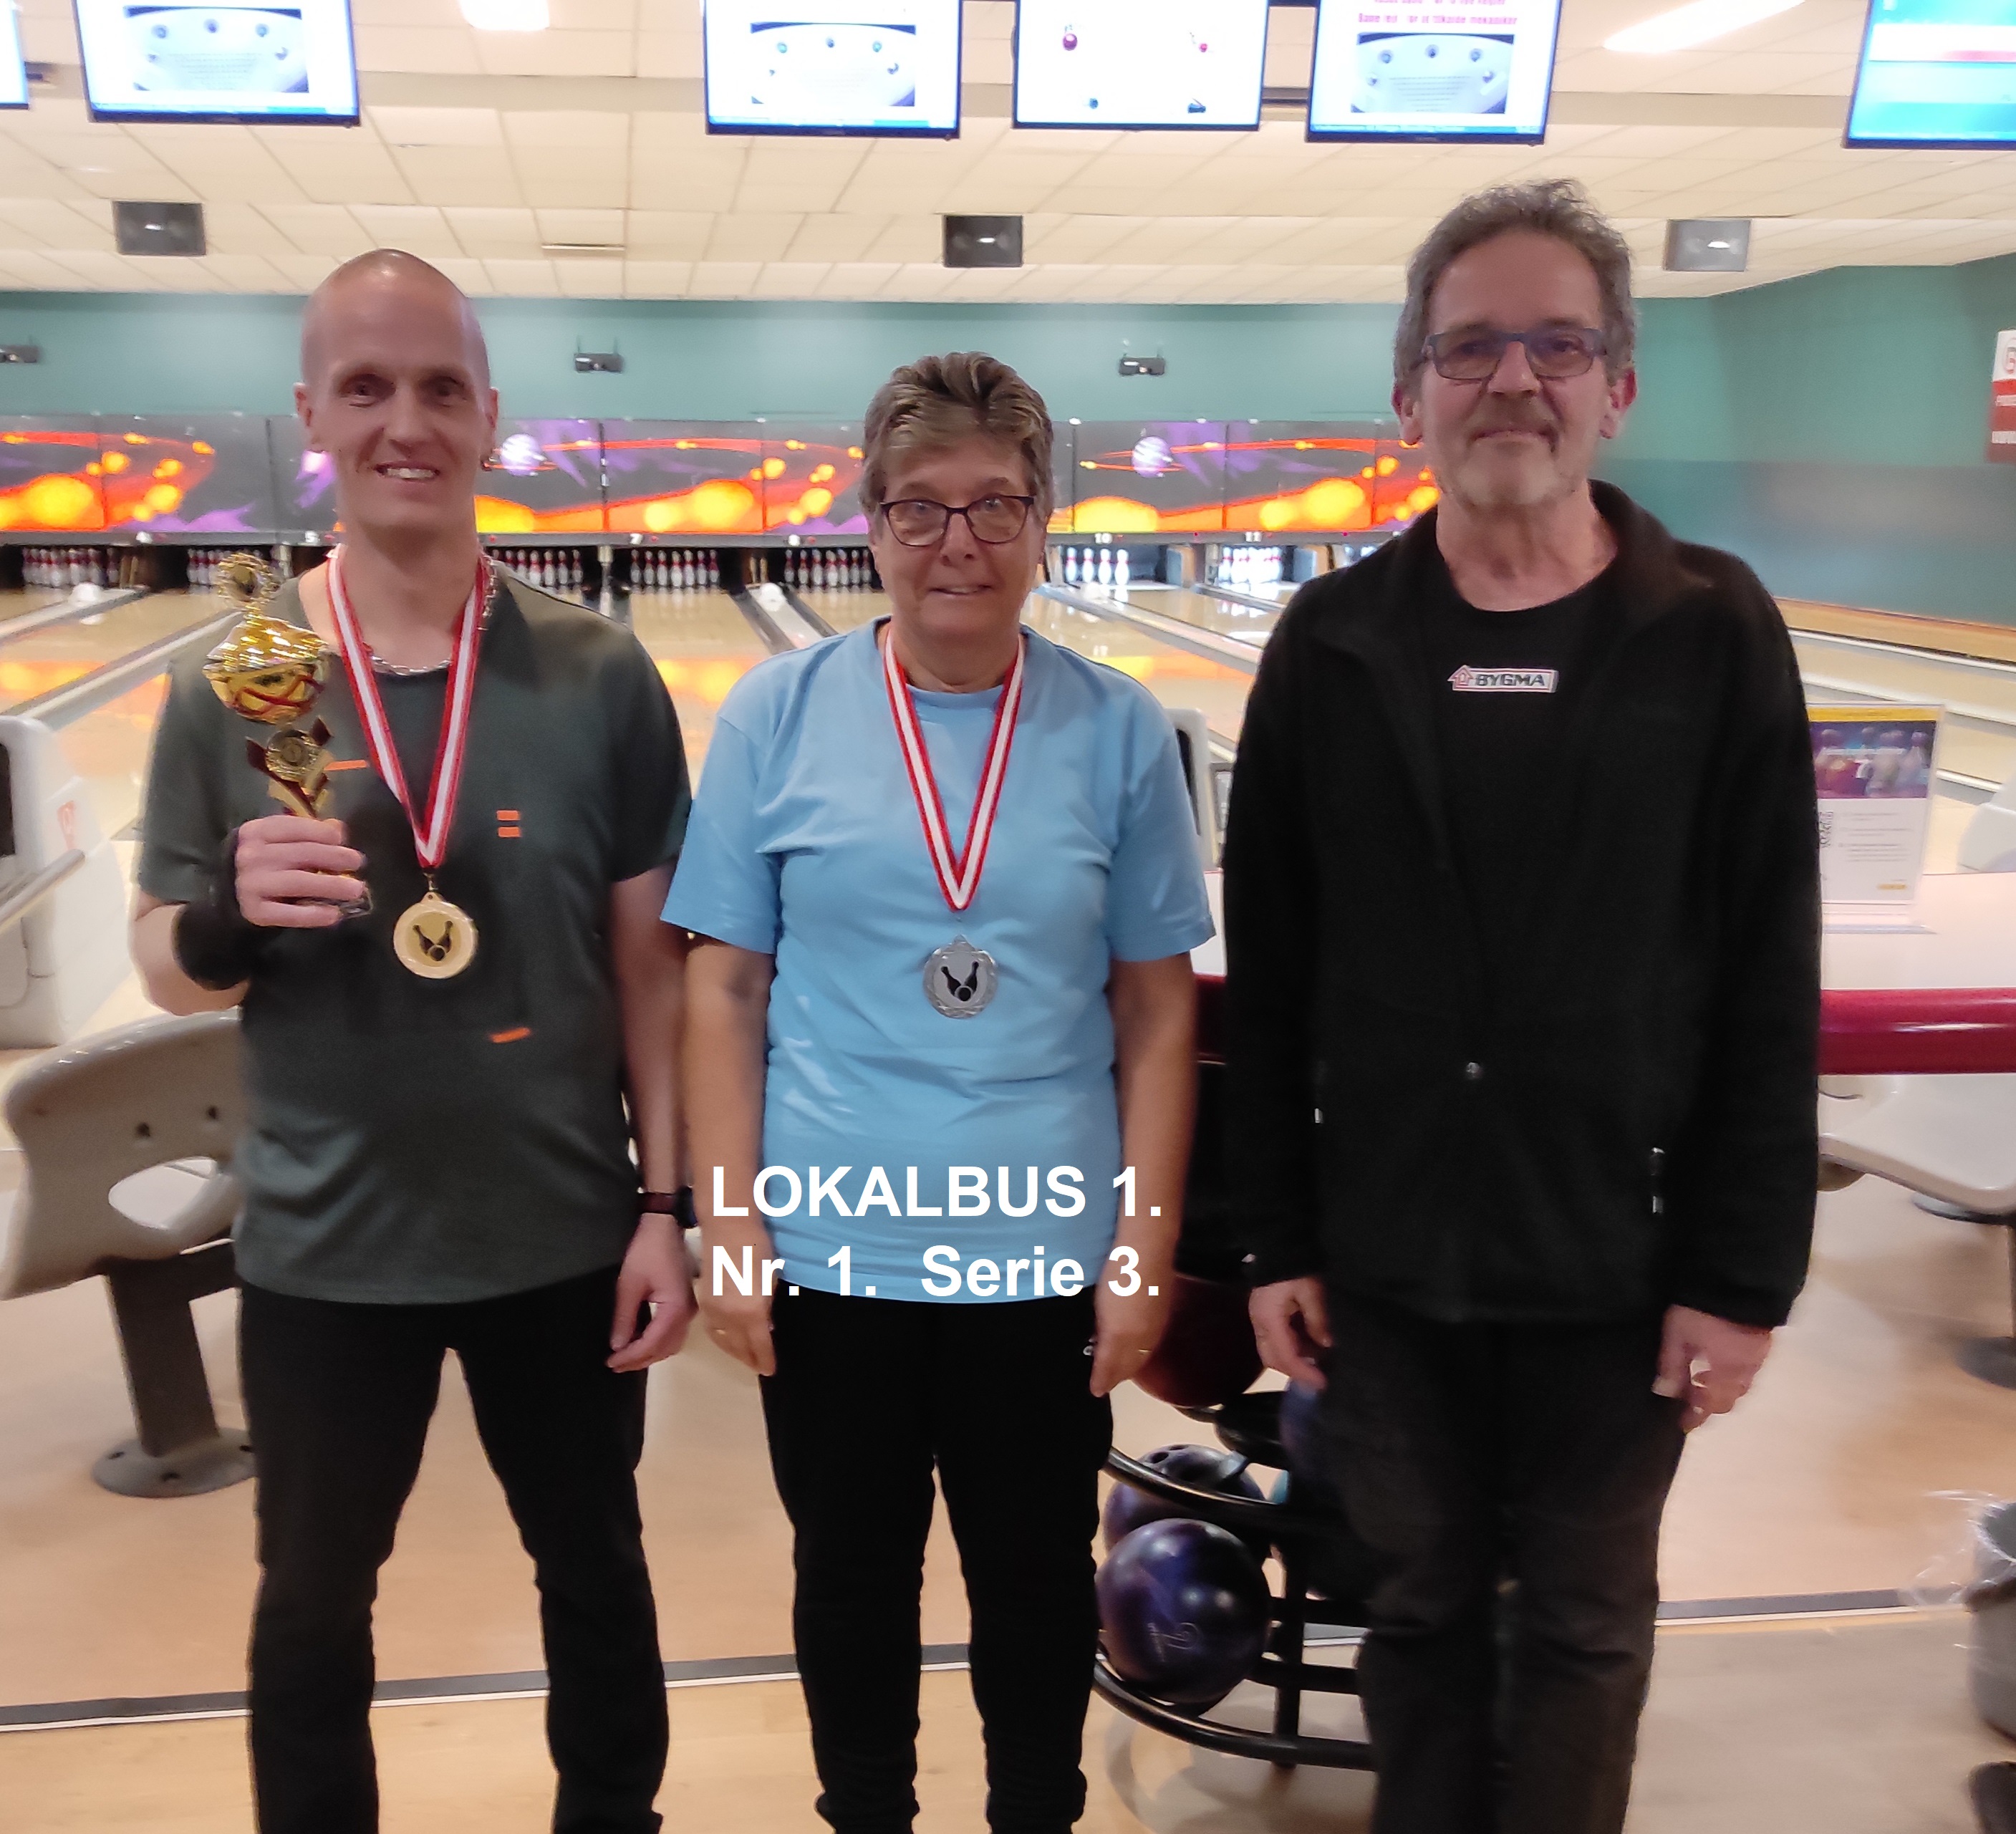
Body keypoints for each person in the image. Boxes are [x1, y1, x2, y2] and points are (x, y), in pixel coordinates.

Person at [1223, 180, 1820, 1834]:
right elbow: (1272, 977)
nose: (1512, 381)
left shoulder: (1713, 633)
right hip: (1386, 1263)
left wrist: (1739, 1278)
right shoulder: (1330, 643)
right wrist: (1272, 1238)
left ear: (1615, 385)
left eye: (1555, 346)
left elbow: (1768, 976)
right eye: (1469, 347)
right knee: (1413, 1614)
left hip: (1622, 1263)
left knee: (1584, 1628)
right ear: (1408, 389)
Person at [130, 249, 694, 1834]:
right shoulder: (230, 683)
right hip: (324, 1245)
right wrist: (229, 919)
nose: (406, 422)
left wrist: (668, 1205)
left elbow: (651, 974)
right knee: (312, 1606)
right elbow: (165, 964)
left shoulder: (599, 672)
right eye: (366, 387)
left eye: (441, 388)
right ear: (310, 413)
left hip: (564, 1230)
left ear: (490, 418)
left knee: (596, 1570)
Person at [667, 352, 1212, 1834]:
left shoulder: (1115, 729)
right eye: (920, 508)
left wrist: (1141, 1250)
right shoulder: (776, 712)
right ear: (873, 522)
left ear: (1042, 522)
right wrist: (728, 1224)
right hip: (832, 1253)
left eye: (994, 505)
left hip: (1040, 1253)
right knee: (848, 1581)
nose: (956, 542)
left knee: (1034, 1584)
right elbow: (721, 986)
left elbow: (1155, 1008)